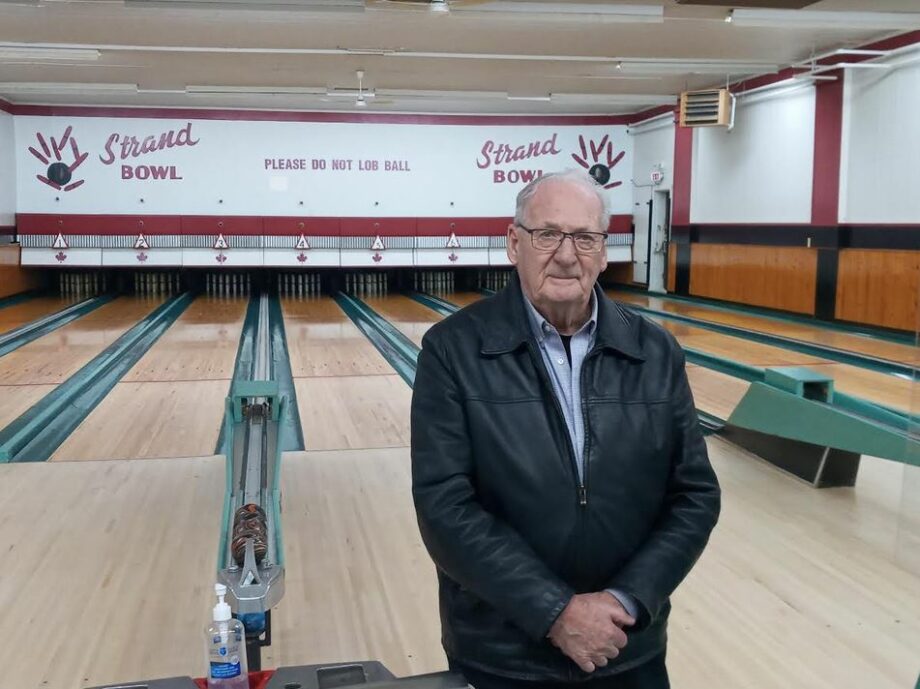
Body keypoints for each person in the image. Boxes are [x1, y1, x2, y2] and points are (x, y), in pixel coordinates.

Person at [410, 169, 721, 688]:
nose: (566, 255)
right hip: (502, 656)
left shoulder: (655, 352)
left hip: (627, 647)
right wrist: (555, 612)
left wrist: (624, 602)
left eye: (585, 237)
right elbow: (444, 506)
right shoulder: (452, 350)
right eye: (547, 234)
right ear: (514, 243)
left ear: (603, 251)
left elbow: (695, 496)